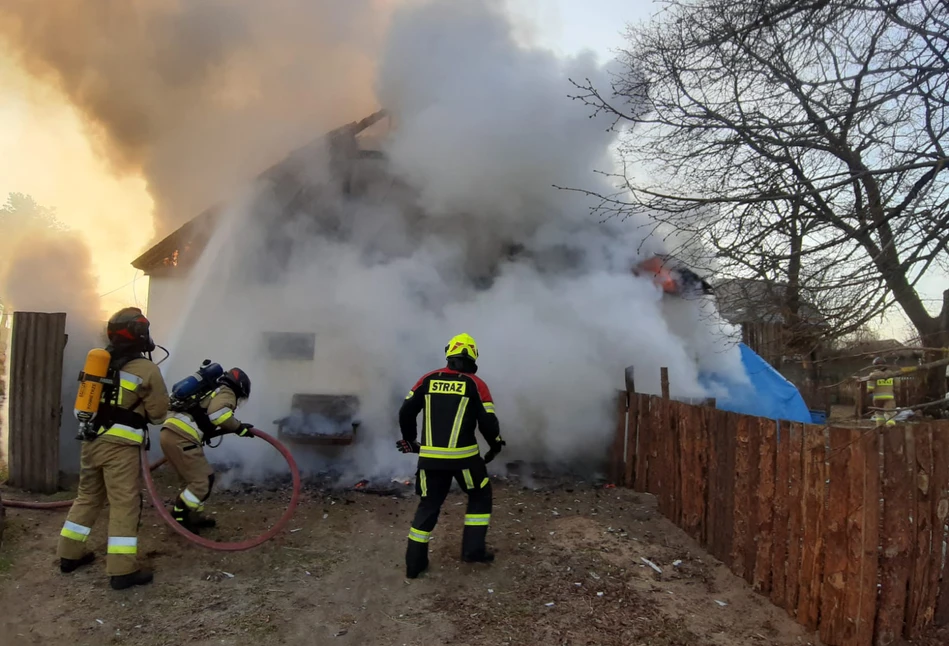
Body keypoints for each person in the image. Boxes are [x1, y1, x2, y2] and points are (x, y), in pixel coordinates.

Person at [57, 307, 169, 590]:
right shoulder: (146, 369)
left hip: (92, 440)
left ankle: (69, 555)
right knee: (124, 504)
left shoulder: (100, 362)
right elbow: (158, 414)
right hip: (120, 448)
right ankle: (121, 571)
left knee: (87, 497)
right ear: (140, 335)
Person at [397, 333, 505, 579]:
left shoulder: (428, 379)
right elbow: (488, 423)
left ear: (449, 353)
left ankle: (414, 565)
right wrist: (495, 446)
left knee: (428, 506)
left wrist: (411, 440)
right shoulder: (476, 384)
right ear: (473, 356)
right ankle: (473, 550)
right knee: (479, 495)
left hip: (430, 460)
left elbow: (406, 411)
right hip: (465, 460)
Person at [160, 367, 254, 532]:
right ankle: (179, 516)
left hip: (171, 434)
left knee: (193, 480)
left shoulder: (211, 390)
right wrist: (239, 428)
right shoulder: (227, 392)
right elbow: (218, 415)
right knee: (203, 480)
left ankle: (194, 517)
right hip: (182, 438)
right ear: (239, 387)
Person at [867, 356, 897, 427]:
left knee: (879, 413)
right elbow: (897, 385)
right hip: (889, 397)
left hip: (877, 398)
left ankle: (880, 426)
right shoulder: (891, 374)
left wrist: (869, 393)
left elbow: (870, 388)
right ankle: (890, 425)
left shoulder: (873, 375)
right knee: (890, 412)